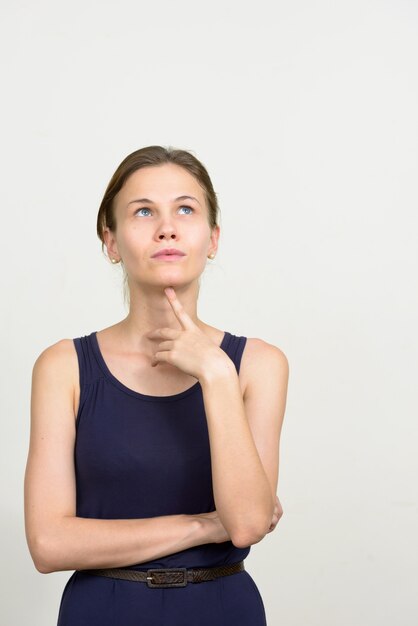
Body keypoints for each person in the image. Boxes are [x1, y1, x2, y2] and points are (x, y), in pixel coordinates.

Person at [24, 145, 289, 626]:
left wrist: (215, 374)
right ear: (111, 240)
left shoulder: (257, 365)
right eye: (143, 211)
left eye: (185, 209)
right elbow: (48, 544)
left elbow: (248, 523)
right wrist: (203, 526)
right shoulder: (63, 367)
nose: (166, 227)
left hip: (222, 609)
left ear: (212, 238)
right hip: (101, 611)